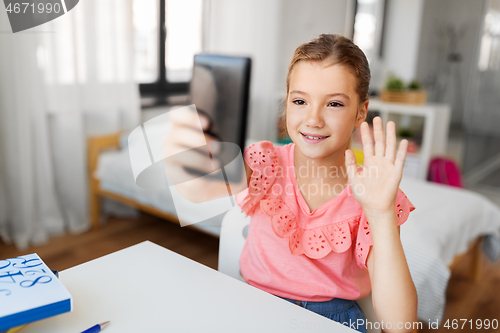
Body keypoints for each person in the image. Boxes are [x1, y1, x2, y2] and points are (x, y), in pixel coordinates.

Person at [165, 34, 418, 333]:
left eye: (334, 104)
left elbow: (401, 325)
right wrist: (180, 157)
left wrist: (380, 212)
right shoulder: (265, 162)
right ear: (286, 103)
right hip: (254, 307)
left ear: (360, 112)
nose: (313, 119)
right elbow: (197, 189)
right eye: (300, 101)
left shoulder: (373, 194)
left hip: (333, 319)